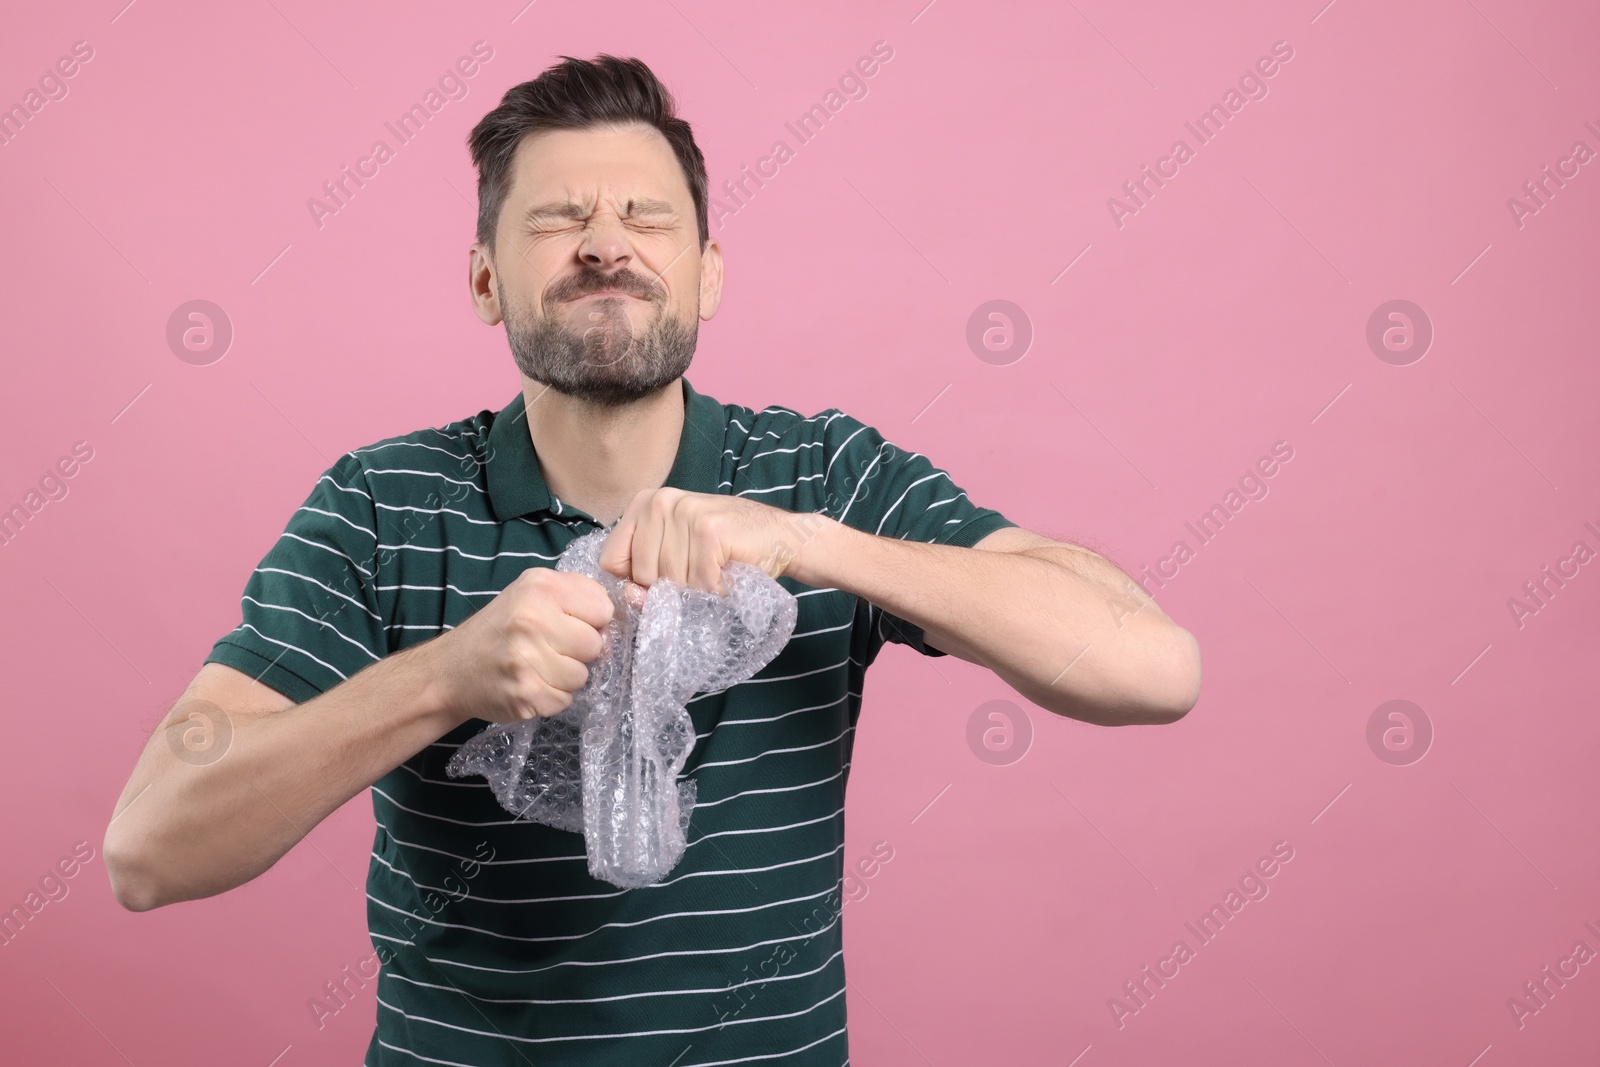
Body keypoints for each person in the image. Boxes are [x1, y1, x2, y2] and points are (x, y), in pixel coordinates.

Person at [104, 53, 1201, 1066]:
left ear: (707, 272)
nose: (603, 242)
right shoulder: (382, 504)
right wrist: (444, 677)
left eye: (644, 214)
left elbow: (1152, 668)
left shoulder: (822, 473)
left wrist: (812, 544)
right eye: (557, 217)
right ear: (485, 281)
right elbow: (149, 846)